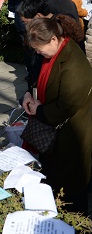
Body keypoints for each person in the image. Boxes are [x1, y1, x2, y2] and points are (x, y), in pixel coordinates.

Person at [22, 17, 92, 214]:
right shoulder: (53, 54)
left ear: (54, 39)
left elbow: (67, 105)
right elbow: (36, 78)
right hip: (55, 133)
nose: (38, 53)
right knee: (55, 178)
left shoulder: (74, 65)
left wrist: (39, 110)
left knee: (71, 188)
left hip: (71, 135)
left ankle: (76, 222)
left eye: (39, 49)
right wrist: (28, 93)